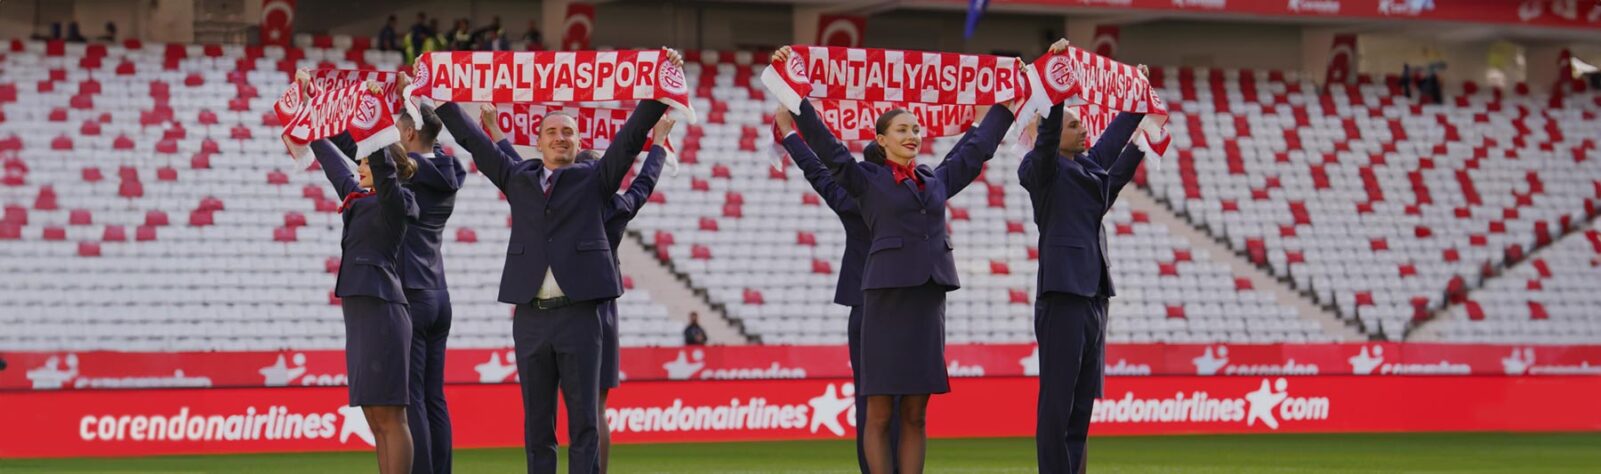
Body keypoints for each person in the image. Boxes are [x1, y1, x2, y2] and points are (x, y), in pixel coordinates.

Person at [432, 48, 681, 474]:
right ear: (540, 140)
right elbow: (474, 142)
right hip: (529, 315)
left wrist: (661, 85)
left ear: (579, 142)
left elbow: (630, 136)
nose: (560, 137)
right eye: (552, 132)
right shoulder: (519, 177)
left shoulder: (595, 180)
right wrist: (440, 101)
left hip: (580, 315)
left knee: (584, 424)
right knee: (536, 428)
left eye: (568, 132)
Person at [773, 44, 1018, 474]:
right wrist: (796, 105)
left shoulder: (933, 179)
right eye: (902, 129)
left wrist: (1008, 102)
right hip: (882, 303)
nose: (913, 135)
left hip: (927, 302)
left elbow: (973, 151)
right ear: (881, 141)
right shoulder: (864, 180)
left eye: (916, 129)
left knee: (916, 414)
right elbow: (828, 155)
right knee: (879, 411)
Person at [482, 109, 673, 474]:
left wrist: (494, 130)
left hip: (582, 305)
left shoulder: (564, 198)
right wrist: (659, 147)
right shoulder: (613, 204)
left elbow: (515, 169)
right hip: (596, 304)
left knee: (574, 415)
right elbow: (642, 186)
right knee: (591, 410)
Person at [1019, 39, 1148, 474]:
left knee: (1080, 406)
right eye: (1075, 125)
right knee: (1057, 404)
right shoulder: (1043, 172)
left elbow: (1113, 146)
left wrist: (1137, 102)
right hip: (1062, 296)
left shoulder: (1089, 171)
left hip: (1094, 297)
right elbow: (1051, 133)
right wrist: (1057, 92)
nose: (1083, 129)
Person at [774, 107, 906, 473]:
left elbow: (817, 171)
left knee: (871, 401)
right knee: (902, 401)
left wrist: (789, 135)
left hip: (864, 303)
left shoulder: (850, 198)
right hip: (900, 305)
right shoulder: (905, 193)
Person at [307, 80, 419, 474]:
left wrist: (374, 122)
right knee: (374, 415)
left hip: (382, 310)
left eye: (366, 161)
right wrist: (309, 118)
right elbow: (332, 163)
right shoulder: (357, 198)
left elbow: (385, 170)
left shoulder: (396, 200)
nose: (359, 167)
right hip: (361, 311)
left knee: (391, 415)